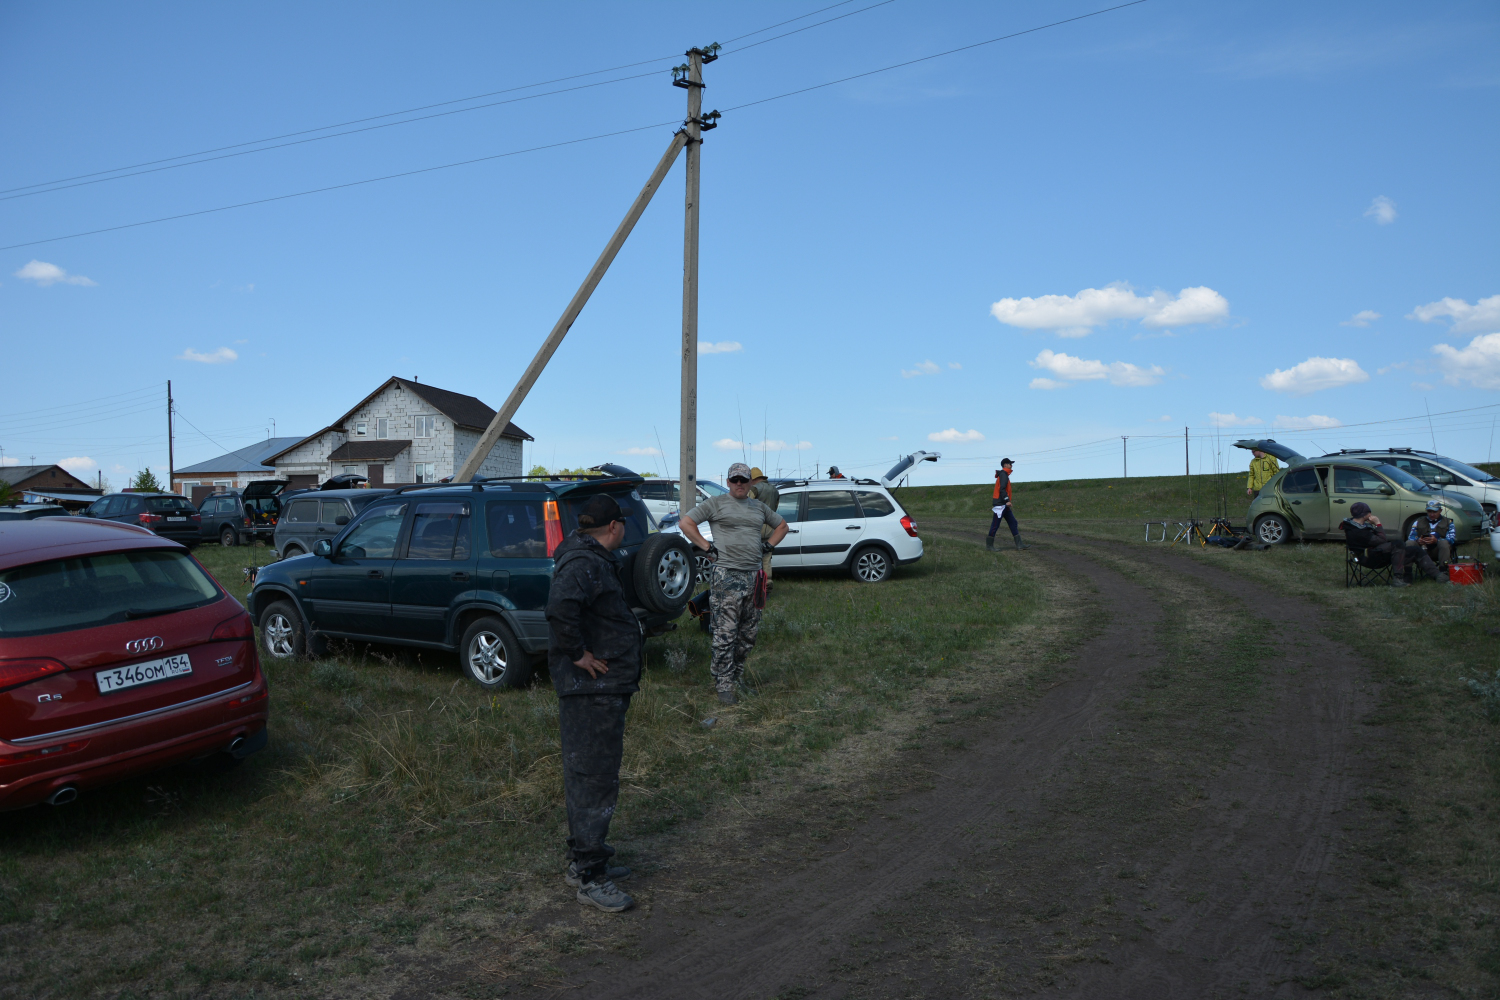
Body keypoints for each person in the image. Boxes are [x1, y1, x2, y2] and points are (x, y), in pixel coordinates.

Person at [545, 494, 640, 913]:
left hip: (598, 689)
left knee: (586, 774)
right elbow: (559, 608)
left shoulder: (587, 557)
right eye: (623, 524)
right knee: (595, 777)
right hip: (591, 690)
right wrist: (578, 654)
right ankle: (591, 876)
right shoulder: (584, 562)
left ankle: (581, 857)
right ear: (614, 527)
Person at [678, 462, 790, 705]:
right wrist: (707, 547)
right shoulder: (715, 503)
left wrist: (768, 546)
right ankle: (724, 685)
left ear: (750, 483)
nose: (739, 484)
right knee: (725, 633)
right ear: (728, 482)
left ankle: (736, 677)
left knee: (748, 634)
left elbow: (782, 526)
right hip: (726, 576)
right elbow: (686, 523)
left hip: (754, 577)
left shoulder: (758, 507)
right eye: (735, 480)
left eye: (743, 480)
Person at [1341, 501, 1443, 588]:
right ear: (1364, 515)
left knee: (1414, 550)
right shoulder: (1356, 531)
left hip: (1376, 553)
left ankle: (1438, 576)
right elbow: (1382, 540)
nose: (1371, 515)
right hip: (1369, 558)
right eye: (1369, 512)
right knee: (1398, 544)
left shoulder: (1360, 526)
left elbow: (1379, 541)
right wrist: (1378, 524)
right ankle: (1398, 579)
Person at [748, 467, 780, 592]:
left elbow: (746, 505)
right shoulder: (774, 489)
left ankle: (755, 586)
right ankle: (767, 584)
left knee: (753, 558)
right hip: (771, 528)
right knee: (766, 558)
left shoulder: (754, 489)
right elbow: (775, 507)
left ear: (753, 479)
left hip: (756, 528)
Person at [987, 458, 1028, 551]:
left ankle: (1019, 544)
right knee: (995, 525)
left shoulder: (1004, 474)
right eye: (1010, 464)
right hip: (1000, 505)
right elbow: (1002, 489)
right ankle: (989, 546)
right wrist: (1007, 500)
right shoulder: (1003, 475)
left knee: (1013, 522)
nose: (1011, 465)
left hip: (1003, 505)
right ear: (1005, 465)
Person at [1407, 499, 1456, 570]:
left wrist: (1436, 541)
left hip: (1438, 551)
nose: (1432, 514)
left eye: (1435, 512)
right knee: (1409, 543)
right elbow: (1411, 537)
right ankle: (1407, 572)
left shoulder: (1448, 522)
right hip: (1421, 549)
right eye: (1429, 511)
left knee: (1444, 543)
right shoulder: (1418, 522)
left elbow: (1451, 539)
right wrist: (1418, 540)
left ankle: (1443, 571)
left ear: (1440, 511)